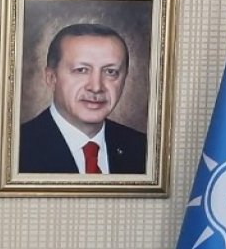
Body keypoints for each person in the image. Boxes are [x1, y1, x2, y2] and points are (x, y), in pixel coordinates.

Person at [19, 23, 147, 174]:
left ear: (124, 79)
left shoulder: (143, 149)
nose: (96, 87)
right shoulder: (17, 148)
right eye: (81, 70)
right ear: (51, 78)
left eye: (110, 72)